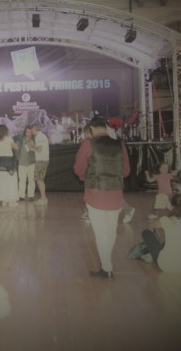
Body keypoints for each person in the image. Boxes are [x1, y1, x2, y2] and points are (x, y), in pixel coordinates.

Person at [73, 116, 130, 279]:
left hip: (95, 193)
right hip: (116, 193)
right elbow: (126, 171)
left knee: (100, 233)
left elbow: (78, 168)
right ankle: (107, 264)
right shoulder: (120, 145)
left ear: (91, 129)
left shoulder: (88, 144)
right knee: (110, 232)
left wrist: (85, 177)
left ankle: (107, 267)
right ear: (106, 127)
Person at [130, 193, 181, 272]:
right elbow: (180, 218)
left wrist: (167, 206)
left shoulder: (166, 220)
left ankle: (149, 254)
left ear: (173, 207)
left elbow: (152, 224)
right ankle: (149, 255)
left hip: (166, 264)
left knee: (146, 233)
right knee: (174, 238)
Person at [0, 124, 19, 208]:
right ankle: (12, 201)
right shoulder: (9, 138)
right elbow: (16, 148)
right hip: (9, 162)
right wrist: (17, 144)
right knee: (11, 182)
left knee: (2, 182)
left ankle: (4, 201)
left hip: (1, 163)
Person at [15, 125, 36, 202]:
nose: (29, 133)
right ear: (25, 132)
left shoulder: (34, 139)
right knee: (22, 180)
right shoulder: (21, 139)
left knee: (31, 180)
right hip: (21, 162)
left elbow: (37, 150)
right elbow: (16, 147)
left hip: (31, 162)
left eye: (30, 132)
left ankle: (31, 195)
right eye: (27, 132)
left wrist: (32, 146)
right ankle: (21, 195)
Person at [32, 123, 50, 206]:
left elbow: (39, 150)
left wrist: (32, 146)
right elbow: (39, 149)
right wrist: (32, 148)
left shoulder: (39, 136)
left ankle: (43, 199)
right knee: (39, 180)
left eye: (32, 129)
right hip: (42, 160)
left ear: (35, 129)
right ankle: (43, 198)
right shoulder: (41, 136)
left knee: (39, 180)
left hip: (41, 160)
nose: (32, 131)